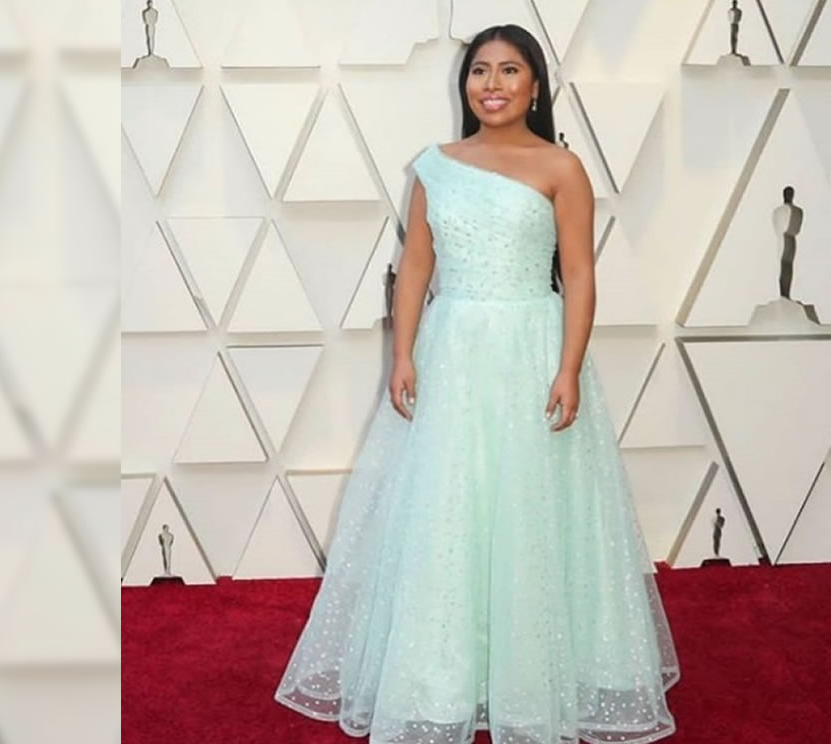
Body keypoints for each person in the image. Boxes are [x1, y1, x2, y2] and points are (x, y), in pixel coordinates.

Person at [274, 23, 680, 744]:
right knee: (448, 508)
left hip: (531, 348)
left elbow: (579, 272)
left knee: (533, 508)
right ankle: (441, 676)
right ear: (464, 85)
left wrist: (568, 365)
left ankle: (536, 676)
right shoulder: (435, 166)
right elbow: (417, 266)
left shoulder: (561, 167)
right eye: (479, 71)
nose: (492, 84)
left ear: (535, 85)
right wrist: (403, 355)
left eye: (509, 70)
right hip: (454, 350)